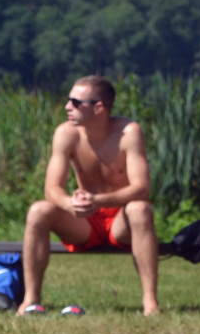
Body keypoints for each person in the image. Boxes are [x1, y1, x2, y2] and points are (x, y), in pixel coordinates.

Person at [19, 75, 160, 316]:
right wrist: (70, 203)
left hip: (120, 220)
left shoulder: (129, 132)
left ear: (99, 108)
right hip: (84, 221)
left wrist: (99, 201)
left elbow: (141, 188)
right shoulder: (66, 134)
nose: (67, 107)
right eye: (68, 100)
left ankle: (150, 302)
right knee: (38, 210)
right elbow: (52, 189)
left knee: (140, 208)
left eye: (76, 102)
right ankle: (30, 299)